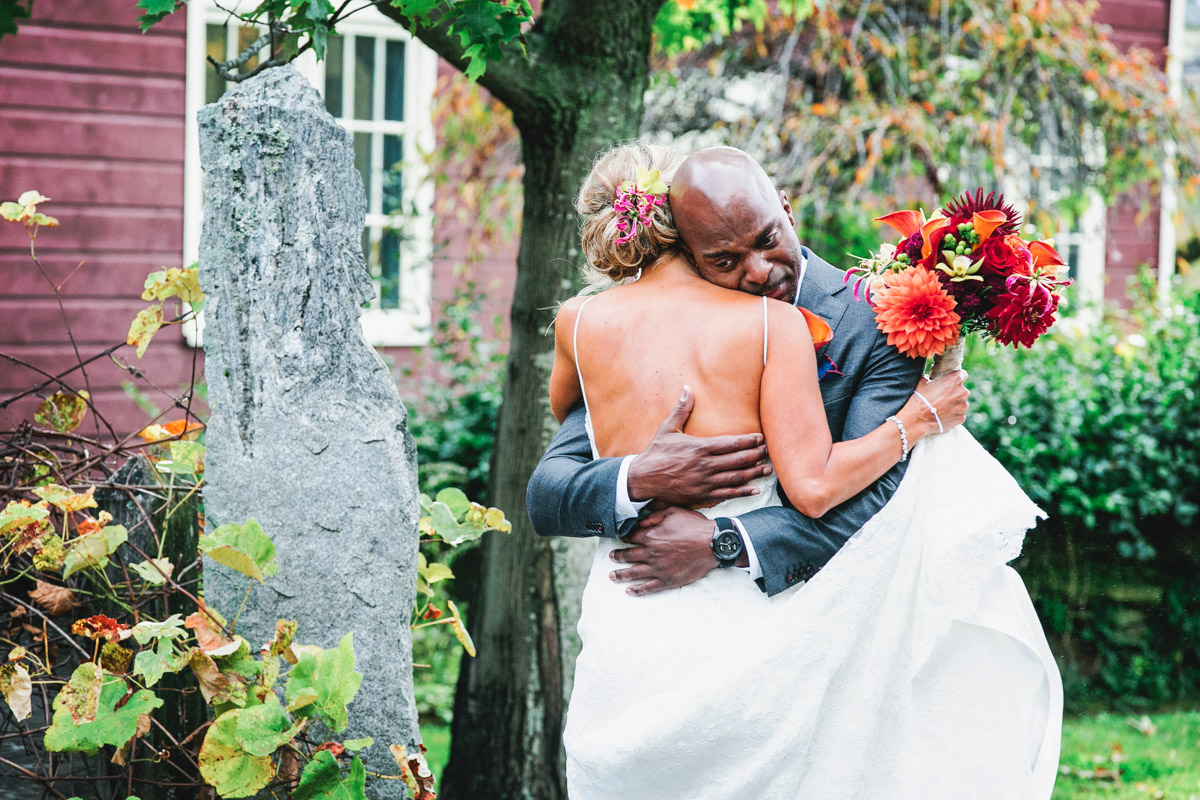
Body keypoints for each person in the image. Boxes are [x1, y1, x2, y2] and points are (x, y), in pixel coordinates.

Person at [539, 143, 1062, 798]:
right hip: (649, 611)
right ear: (689, 251)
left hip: (811, 621)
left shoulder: (877, 322)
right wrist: (636, 477)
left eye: (766, 241)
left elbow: (868, 510)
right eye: (724, 261)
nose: (758, 272)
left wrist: (724, 543)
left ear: (785, 209)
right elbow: (552, 485)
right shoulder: (670, 330)